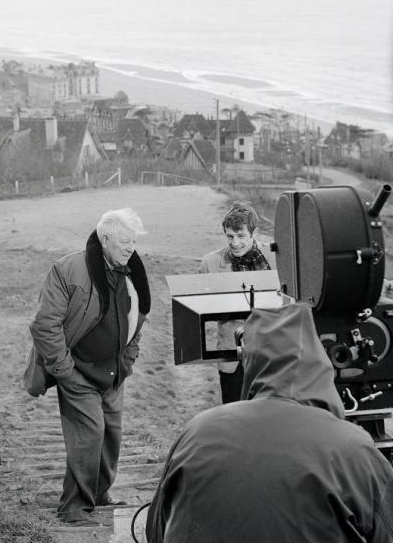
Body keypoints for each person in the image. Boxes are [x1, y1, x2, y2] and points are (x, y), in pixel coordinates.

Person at [146, 302, 393, 543]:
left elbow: (155, 530)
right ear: (319, 361)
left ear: (251, 363)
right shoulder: (353, 449)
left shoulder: (196, 432)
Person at [26, 208, 151, 526]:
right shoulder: (68, 268)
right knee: (89, 433)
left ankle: (98, 494)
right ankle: (74, 507)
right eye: (125, 241)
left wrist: (128, 361)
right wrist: (64, 369)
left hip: (114, 372)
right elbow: (44, 325)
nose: (130, 248)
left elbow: (139, 318)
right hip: (77, 369)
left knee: (111, 433)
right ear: (104, 238)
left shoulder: (131, 269)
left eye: (134, 242)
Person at [199, 201, 274, 403]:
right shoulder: (211, 263)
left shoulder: (276, 258)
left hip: (269, 355)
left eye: (241, 236)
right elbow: (201, 306)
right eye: (230, 236)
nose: (235, 243)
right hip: (232, 356)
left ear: (254, 232)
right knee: (235, 416)